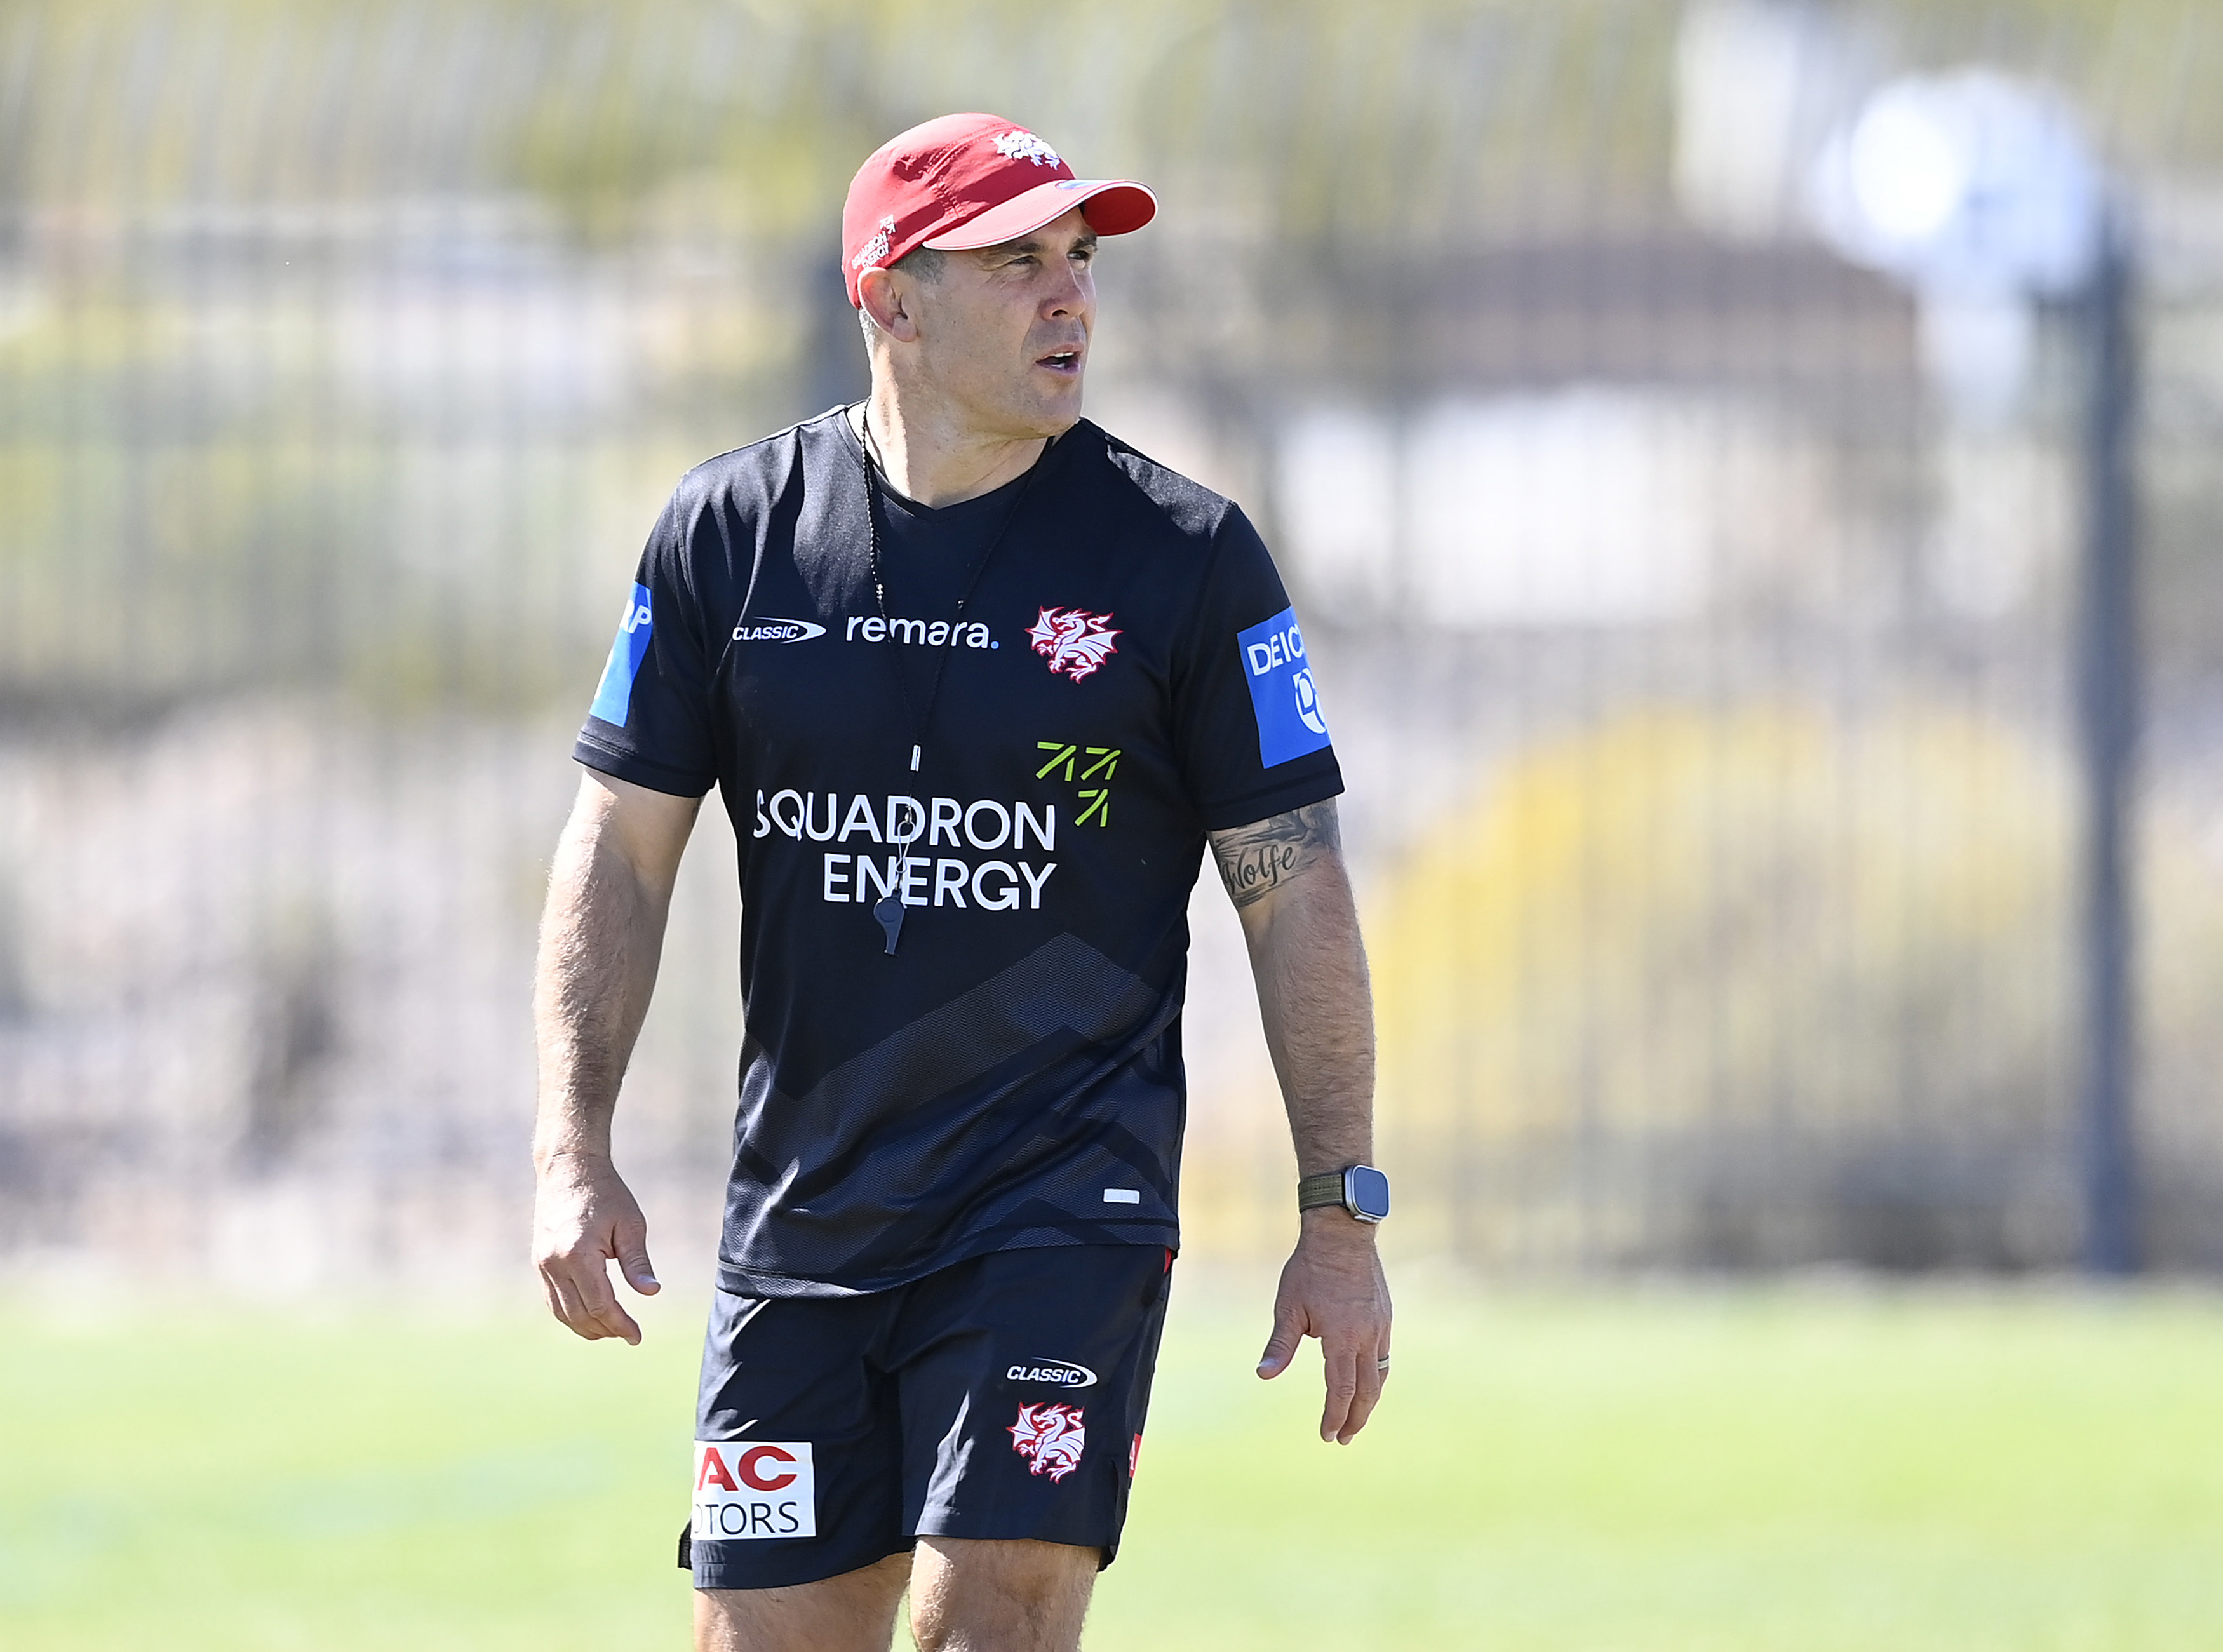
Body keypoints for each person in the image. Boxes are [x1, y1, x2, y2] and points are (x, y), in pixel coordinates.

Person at [530, 112, 1392, 1652]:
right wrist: (567, 1145)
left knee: (988, 1615)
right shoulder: (730, 536)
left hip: (1061, 1207)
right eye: (1017, 263)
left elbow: (1292, 889)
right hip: (805, 1217)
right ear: (892, 300)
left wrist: (1341, 1208)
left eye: (1080, 260)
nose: (1071, 296)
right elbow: (623, 848)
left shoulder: (1185, 558)